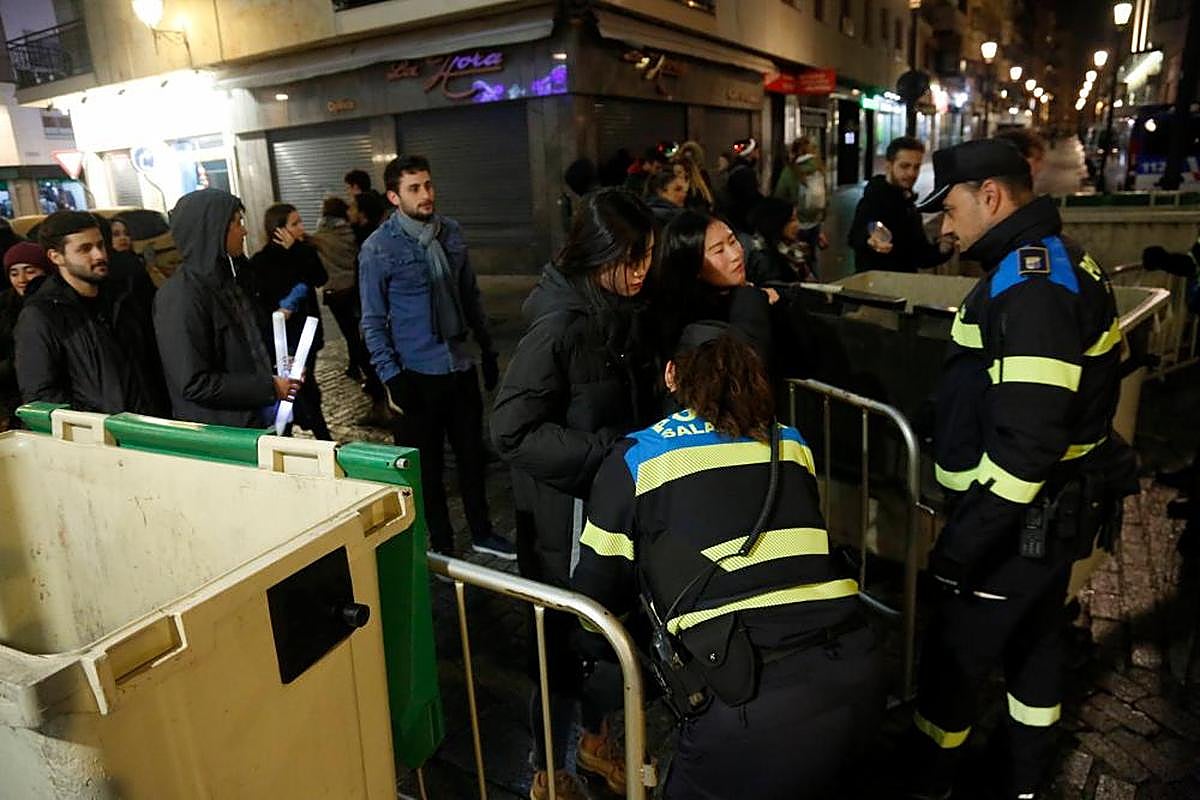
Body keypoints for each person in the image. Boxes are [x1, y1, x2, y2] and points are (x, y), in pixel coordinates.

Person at [902, 139, 1138, 800]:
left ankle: (928, 784)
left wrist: (959, 549)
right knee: (1034, 654)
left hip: (1011, 531)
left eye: (949, 210)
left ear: (992, 196)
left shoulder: (1031, 285)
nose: (944, 228)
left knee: (952, 673)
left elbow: (1026, 448)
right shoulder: (1054, 266)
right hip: (1043, 525)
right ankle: (1025, 783)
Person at [574, 321, 882, 800]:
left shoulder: (637, 457)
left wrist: (609, 664)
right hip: (855, 664)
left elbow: (594, 594)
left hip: (749, 696)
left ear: (672, 375)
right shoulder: (792, 442)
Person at [490, 188, 658, 800]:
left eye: (649, 257)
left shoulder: (616, 311)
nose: (643, 271)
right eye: (633, 258)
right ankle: (548, 770)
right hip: (561, 524)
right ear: (601, 254)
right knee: (558, 652)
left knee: (604, 637)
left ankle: (593, 742)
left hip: (603, 518)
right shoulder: (560, 325)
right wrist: (609, 453)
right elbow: (510, 430)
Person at [359, 154, 512, 559]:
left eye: (428, 185)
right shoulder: (379, 248)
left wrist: (488, 348)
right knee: (426, 469)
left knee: (471, 457)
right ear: (394, 196)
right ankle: (442, 543)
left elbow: (469, 295)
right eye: (414, 188)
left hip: (458, 364)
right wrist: (392, 378)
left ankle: (482, 531)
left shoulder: (451, 233)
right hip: (416, 372)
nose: (426, 195)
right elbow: (372, 321)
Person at [155, 188, 301, 428]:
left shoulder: (233, 280)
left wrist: (279, 366)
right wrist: (269, 387)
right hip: (225, 433)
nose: (243, 230)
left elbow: (247, 347)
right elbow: (194, 382)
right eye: (236, 223)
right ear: (212, 230)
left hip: (259, 422)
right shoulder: (180, 296)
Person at [15, 212, 167, 416]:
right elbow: (40, 397)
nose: (99, 255)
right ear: (56, 256)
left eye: (100, 245)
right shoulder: (42, 315)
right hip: (97, 440)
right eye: (85, 249)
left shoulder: (123, 297)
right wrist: (95, 425)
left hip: (147, 429)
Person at [249, 203, 332, 441]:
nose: (301, 228)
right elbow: (260, 301)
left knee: (304, 388)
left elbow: (320, 277)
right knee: (298, 390)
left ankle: (300, 435)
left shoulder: (303, 252)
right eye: (294, 224)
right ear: (278, 229)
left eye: (300, 222)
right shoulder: (261, 262)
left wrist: (296, 249)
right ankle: (304, 438)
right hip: (282, 339)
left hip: (307, 336)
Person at [653, 210, 775, 372]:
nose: (735, 255)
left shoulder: (747, 296)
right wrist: (750, 299)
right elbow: (747, 367)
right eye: (718, 251)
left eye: (732, 241)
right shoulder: (692, 327)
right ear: (693, 265)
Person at [848, 136, 954, 273]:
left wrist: (942, 249)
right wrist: (870, 240)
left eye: (916, 167)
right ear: (889, 166)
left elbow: (919, 256)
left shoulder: (908, 204)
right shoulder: (875, 199)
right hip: (878, 287)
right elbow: (857, 235)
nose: (911, 173)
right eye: (904, 166)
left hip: (904, 286)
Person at [0, 242, 50, 428]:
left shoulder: (50, 305)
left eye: (30, 271)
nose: (21, 279)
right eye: (14, 273)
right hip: (10, 397)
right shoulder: (5, 305)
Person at [773, 136, 829, 274]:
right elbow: (826, 198)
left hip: (795, 225)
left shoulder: (790, 171)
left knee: (797, 259)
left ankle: (801, 288)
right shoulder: (819, 168)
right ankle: (816, 287)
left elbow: (779, 199)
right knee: (813, 258)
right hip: (815, 222)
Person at [748, 196, 816, 284]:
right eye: (791, 220)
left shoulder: (794, 250)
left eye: (796, 219)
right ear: (776, 222)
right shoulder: (764, 259)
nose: (797, 225)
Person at [717, 138, 763, 234]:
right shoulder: (746, 173)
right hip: (742, 225)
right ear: (751, 152)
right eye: (757, 151)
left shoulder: (734, 170)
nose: (759, 154)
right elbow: (750, 199)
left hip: (733, 221)